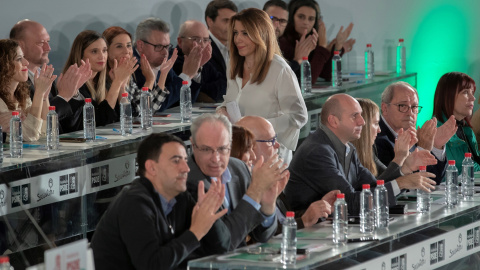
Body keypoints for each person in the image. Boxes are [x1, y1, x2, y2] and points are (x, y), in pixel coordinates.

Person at [90, 133, 230, 270]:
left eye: (185, 160)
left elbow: (221, 249)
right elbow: (151, 264)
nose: (186, 168)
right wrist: (196, 232)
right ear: (152, 168)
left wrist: (208, 215)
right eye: (176, 161)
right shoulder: (134, 203)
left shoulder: (181, 195)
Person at [284, 94, 437, 215]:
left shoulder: (348, 147)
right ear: (333, 121)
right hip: (308, 233)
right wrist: (402, 182)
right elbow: (349, 202)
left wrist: (404, 169)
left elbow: (374, 187)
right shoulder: (317, 152)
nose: (362, 122)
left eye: (361, 116)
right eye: (354, 116)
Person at [218, 8, 308, 164]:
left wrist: (259, 128)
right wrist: (222, 110)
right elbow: (231, 101)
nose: (238, 39)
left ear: (261, 34)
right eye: (235, 33)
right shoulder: (234, 65)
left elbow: (299, 116)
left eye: (245, 33)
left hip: (271, 156)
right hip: (240, 154)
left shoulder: (278, 69)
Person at [186, 113, 289, 249]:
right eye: (206, 149)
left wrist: (268, 207)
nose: (216, 159)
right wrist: (254, 192)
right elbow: (224, 244)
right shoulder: (187, 181)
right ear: (193, 145)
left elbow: (263, 236)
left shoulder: (238, 168)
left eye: (222, 149)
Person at [237, 115, 338, 230]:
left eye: (276, 138)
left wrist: (317, 211)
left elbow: (283, 219)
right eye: (271, 141)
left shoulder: (269, 175)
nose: (277, 145)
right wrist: (304, 221)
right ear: (250, 146)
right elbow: (260, 234)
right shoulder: (241, 184)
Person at [9, 20, 91, 134]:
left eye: (48, 42)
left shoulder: (47, 76)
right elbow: (37, 126)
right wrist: (63, 97)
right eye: (41, 43)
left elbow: (68, 126)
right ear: (20, 46)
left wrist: (73, 93)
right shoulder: (14, 81)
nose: (48, 48)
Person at [376, 82, 457, 184]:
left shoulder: (412, 134)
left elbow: (433, 181)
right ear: (384, 108)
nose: (410, 112)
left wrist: (436, 145)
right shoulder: (376, 137)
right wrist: (422, 148)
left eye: (414, 107)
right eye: (403, 106)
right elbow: (398, 186)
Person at [61, 30, 133, 132]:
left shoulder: (106, 81)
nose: (102, 56)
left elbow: (126, 118)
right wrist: (117, 82)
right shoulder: (72, 84)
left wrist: (121, 87)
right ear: (80, 55)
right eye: (94, 51)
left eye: (104, 50)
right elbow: (100, 120)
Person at [352, 98, 438, 179]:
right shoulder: (379, 143)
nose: (379, 130)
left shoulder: (369, 151)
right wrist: (400, 157)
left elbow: (390, 184)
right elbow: (380, 187)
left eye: (414, 107)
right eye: (375, 123)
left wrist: (404, 157)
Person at [103, 26, 176, 117]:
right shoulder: (104, 77)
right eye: (119, 46)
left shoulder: (128, 74)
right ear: (106, 50)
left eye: (129, 46)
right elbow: (135, 113)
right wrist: (149, 81)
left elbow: (148, 109)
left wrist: (162, 76)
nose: (127, 51)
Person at [133, 18, 202, 112]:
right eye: (159, 46)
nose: (165, 53)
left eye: (167, 46)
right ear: (140, 45)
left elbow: (185, 102)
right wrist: (186, 75)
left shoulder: (162, 61)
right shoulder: (133, 66)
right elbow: (157, 106)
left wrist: (192, 73)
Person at [278, 0, 355, 84]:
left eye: (311, 19)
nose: (306, 22)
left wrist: (338, 47)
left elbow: (326, 74)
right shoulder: (282, 42)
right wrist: (322, 48)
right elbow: (307, 82)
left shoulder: (311, 40)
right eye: (301, 16)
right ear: (291, 17)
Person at [0, 39, 56, 141]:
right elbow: (30, 135)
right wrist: (39, 93)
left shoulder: (22, 95)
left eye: (24, 57)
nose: (26, 63)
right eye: (19, 59)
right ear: (3, 65)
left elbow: (48, 131)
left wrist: (44, 96)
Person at [434, 72, 480, 171]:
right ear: (448, 95)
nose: (473, 98)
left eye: (472, 92)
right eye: (466, 92)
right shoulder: (436, 131)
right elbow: (445, 176)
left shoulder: (465, 129)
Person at [173, 20, 227, 103]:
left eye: (205, 40)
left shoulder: (205, 61)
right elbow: (185, 98)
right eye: (196, 39)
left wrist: (203, 92)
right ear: (180, 41)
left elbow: (223, 87)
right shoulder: (172, 62)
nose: (202, 45)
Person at [205, 0, 238, 83]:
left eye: (233, 21)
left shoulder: (239, 45)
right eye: (226, 21)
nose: (231, 26)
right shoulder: (201, 47)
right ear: (210, 21)